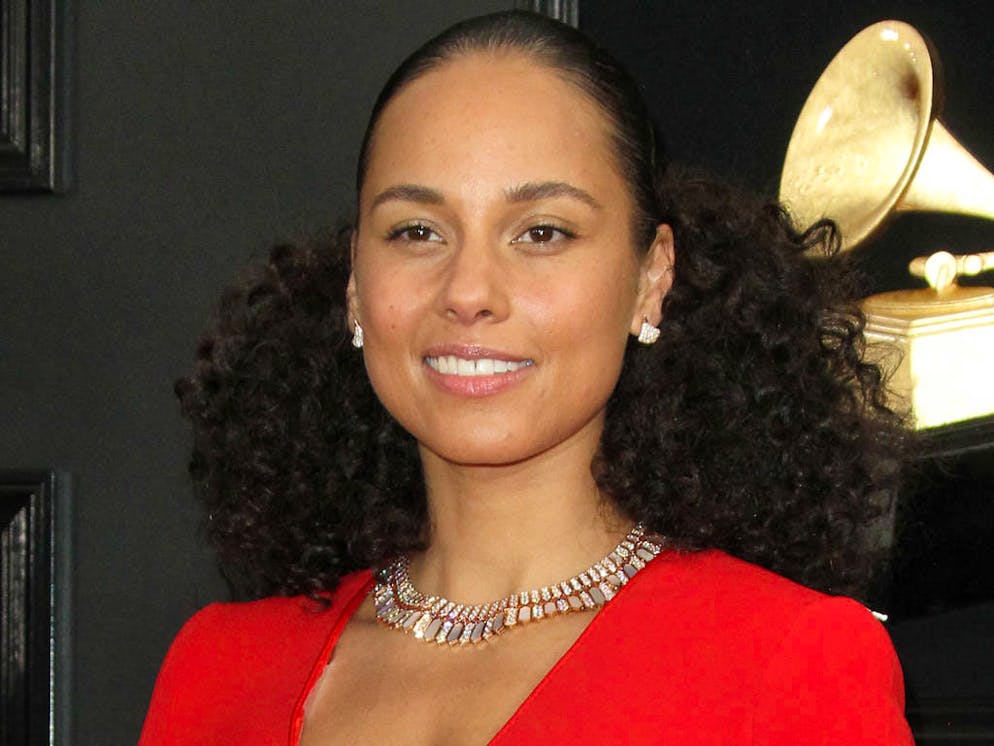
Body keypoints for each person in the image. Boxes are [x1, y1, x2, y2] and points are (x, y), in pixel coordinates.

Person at [140, 10, 913, 745]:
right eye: (417, 231)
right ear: (354, 284)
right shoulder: (219, 670)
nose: (469, 291)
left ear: (651, 277)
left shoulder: (787, 663)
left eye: (542, 232)